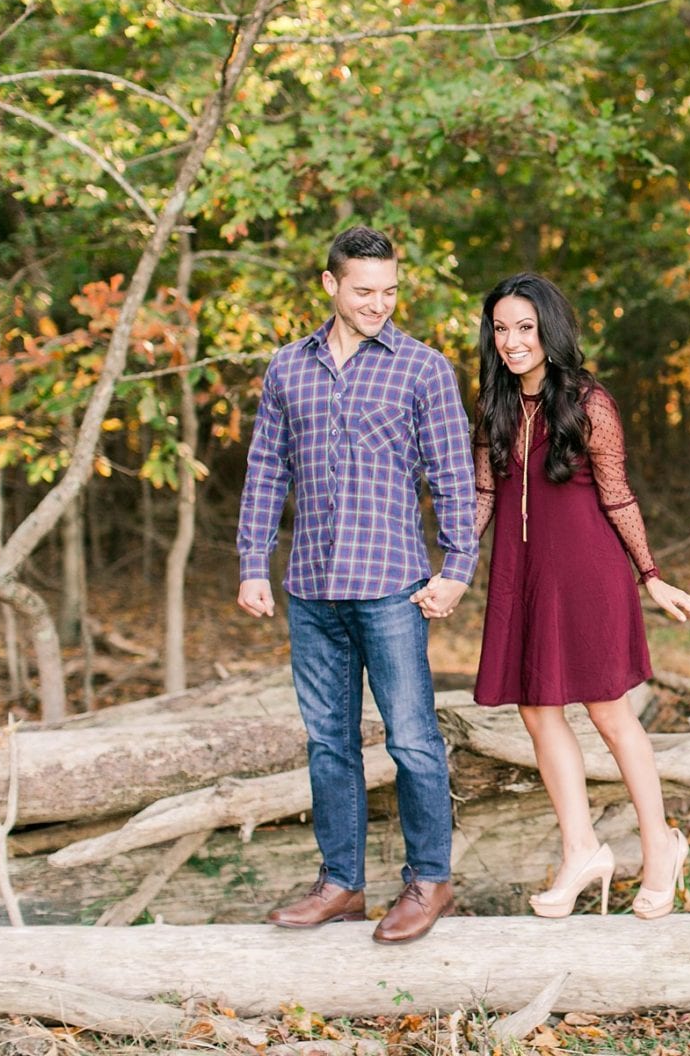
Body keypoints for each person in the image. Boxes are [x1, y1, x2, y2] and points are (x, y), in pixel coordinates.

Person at [236, 225, 478, 944]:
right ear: (330, 286)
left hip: (392, 588)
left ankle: (430, 880)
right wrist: (254, 563)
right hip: (311, 586)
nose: (379, 304)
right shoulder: (287, 369)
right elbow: (265, 472)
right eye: (365, 291)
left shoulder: (423, 368)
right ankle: (342, 884)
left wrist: (456, 569)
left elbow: (453, 478)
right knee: (328, 743)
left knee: (411, 740)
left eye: (390, 291)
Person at [472, 272, 690, 920]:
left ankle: (660, 846)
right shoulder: (493, 402)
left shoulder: (587, 399)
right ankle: (582, 851)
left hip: (588, 571)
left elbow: (617, 491)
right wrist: (453, 566)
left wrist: (651, 575)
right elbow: (486, 496)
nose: (513, 341)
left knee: (608, 711)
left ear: (549, 329)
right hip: (521, 575)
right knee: (537, 710)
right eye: (501, 328)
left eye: (525, 327)